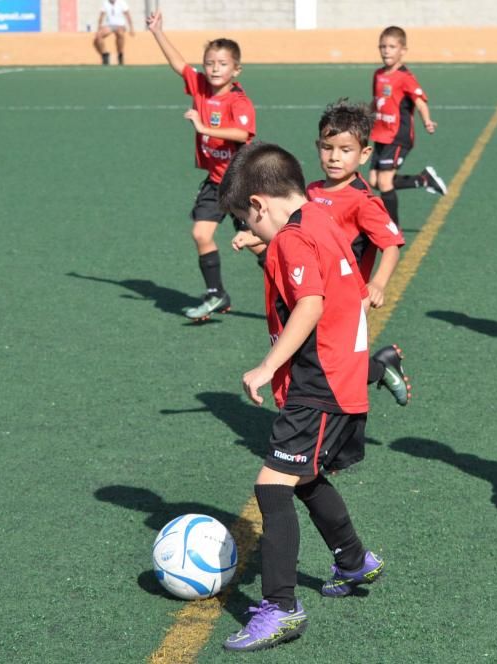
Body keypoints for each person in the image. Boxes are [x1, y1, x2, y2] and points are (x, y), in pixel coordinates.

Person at [217, 143, 384, 652]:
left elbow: (309, 302)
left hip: (321, 382)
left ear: (260, 204)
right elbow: (336, 289)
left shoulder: (291, 239)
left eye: (247, 219)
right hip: (343, 375)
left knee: (272, 486)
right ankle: (354, 561)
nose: (249, 230)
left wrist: (268, 366)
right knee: (306, 476)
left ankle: (282, 607)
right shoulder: (321, 217)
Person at [147, 11, 257, 320]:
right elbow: (179, 64)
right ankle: (216, 294)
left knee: (257, 245)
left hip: (240, 182)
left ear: (236, 69)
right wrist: (158, 32)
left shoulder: (239, 101)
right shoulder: (200, 87)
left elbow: (242, 133)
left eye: (222, 64)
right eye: (210, 63)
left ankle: (294, 289)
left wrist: (205, 128)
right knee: (200, 233)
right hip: (215, 180)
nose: (214, 69)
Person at [307, 100, 411, 406]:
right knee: (319, 361)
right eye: (328, 148)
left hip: (349, 299)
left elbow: (391, 245)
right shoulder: (311, 191)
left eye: (345, 150)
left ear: (364, 154)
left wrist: (377, 284)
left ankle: (380, 369)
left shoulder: (363, 201)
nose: (334, 157)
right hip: (313, 294)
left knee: (336, 365)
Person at [369, 26, 447, 227]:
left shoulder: (405, 77)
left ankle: (393, 229)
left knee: (385, 182)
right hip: (380, 134)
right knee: (374, 182)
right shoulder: (378, 74)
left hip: (398, 135)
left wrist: (427, 121)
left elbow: (420, 101)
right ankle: (424, 180)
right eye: (383, 46)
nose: (386, 50)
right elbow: (376, 100)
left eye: (392, 46)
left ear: (402, 50)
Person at [93, 0, 134, 66]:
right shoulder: (105, 3)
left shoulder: (122, 3)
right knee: (98, 37)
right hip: (109, 25)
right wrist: (99, 28)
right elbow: (101, 16)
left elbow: (128, 15)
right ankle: (105, 54)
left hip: (120, 24)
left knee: (120, 34)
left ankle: (120, 54)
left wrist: (131, 28)